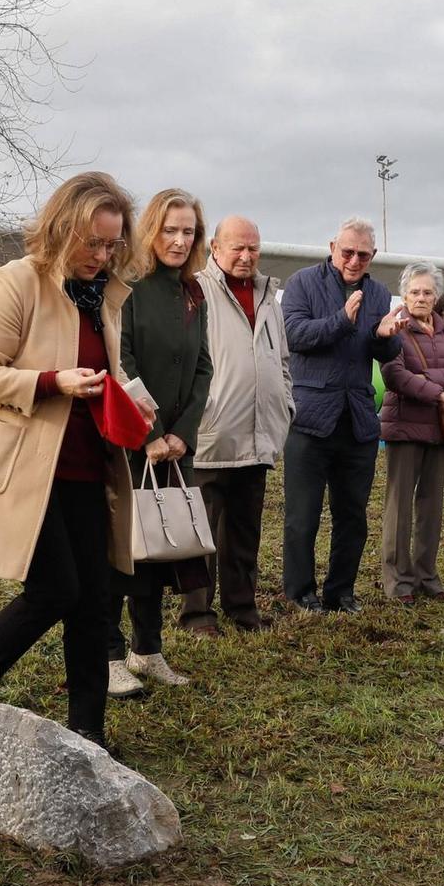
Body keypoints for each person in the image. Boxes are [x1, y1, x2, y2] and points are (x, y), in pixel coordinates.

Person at [0, 171, 138, 753]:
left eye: (112, 245)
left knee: (95, 601)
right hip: (27, 471)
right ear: (61, 227)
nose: (102, 256)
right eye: (92, 243)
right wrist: (51, 382)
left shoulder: (105, 297)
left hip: (88, 467)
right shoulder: (16, 282)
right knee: (56, 590)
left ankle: (89, 733)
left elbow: (104, 372)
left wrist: (128, 402)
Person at [106, 190, 214, 698]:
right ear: (151, 231)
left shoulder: (194, 292)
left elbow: (202, 368)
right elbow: (120, 361)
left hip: (173, 445)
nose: (179, 239)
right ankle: (107, 654)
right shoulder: (127, 289)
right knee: (119, 551)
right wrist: (147, 432)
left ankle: (147, 651)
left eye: (188, 231)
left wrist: (180, 434)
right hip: (128, 441)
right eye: (170, 229)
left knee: (158, 546)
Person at [281, 216, 402, 612]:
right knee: (303, 516)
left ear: (373, 256)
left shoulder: (380, 293)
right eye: (347, 251)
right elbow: (294, 336)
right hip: (310, 419)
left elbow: (379, 351)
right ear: (332, 246)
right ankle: (301, 593)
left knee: (352, 516)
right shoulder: (302, 283)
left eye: (363, 254)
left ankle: (341, 591)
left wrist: (386, 339)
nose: (354, 260)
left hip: (358, 420)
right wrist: (342, 320)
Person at [183, 215, 291, 637]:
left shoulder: (268, 296)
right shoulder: (196, 290)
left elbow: (281, 360)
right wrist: (200, 412)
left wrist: (285, 404)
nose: (246, 256)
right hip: (212, 433)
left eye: (253, 248)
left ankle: (242, 608)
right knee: (203, 529)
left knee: (245, 530)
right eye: (237, 248)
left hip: (258, 432)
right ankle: (196, 614)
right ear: (215, 248)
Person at [378, 263, 444, 600]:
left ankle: (427, 577)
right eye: (416, 291)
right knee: (399, 506)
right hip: (404, 427)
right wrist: (441, 392)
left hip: (438, 429)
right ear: (404, 294)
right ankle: (398, 581)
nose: (421, 297)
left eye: (428, 292)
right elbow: (395, 376)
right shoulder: (394, 328)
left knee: (432, 505)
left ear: (436, 297)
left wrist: (427, 379)